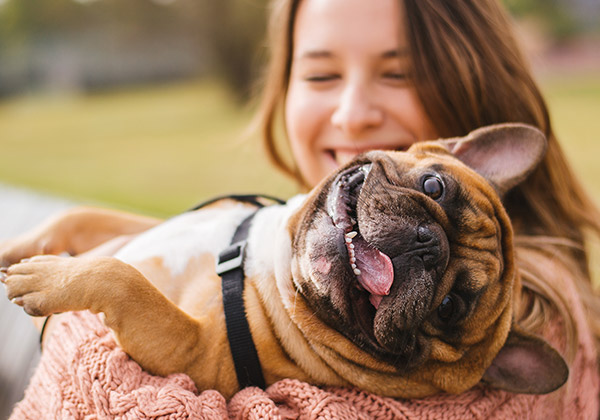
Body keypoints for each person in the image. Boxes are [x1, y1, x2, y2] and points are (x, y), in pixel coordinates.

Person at [3, 0, 600, 418]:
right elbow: (186, 247)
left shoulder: (539, 322)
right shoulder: (289, 234)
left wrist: (78, 309)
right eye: (320, 72)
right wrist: (82, 229)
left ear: (470, 83)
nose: (351, 113)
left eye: (449, 302)